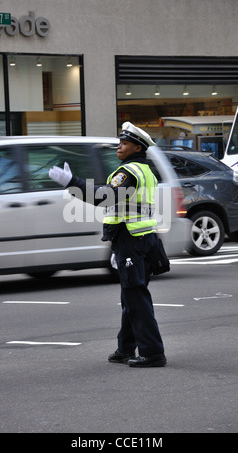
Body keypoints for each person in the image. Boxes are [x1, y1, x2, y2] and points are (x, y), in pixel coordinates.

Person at [49, 122, 166, 368]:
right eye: (119, 143)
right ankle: (125, 348)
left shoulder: (129, 172)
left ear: (137, 146)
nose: (118, 147)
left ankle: (153, 353)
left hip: (132, 241)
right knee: (130, 296)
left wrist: (72, 182)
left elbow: (105, 197)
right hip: (141, 238)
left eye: (124, 144)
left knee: (135, 296)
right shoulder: (145, 171)